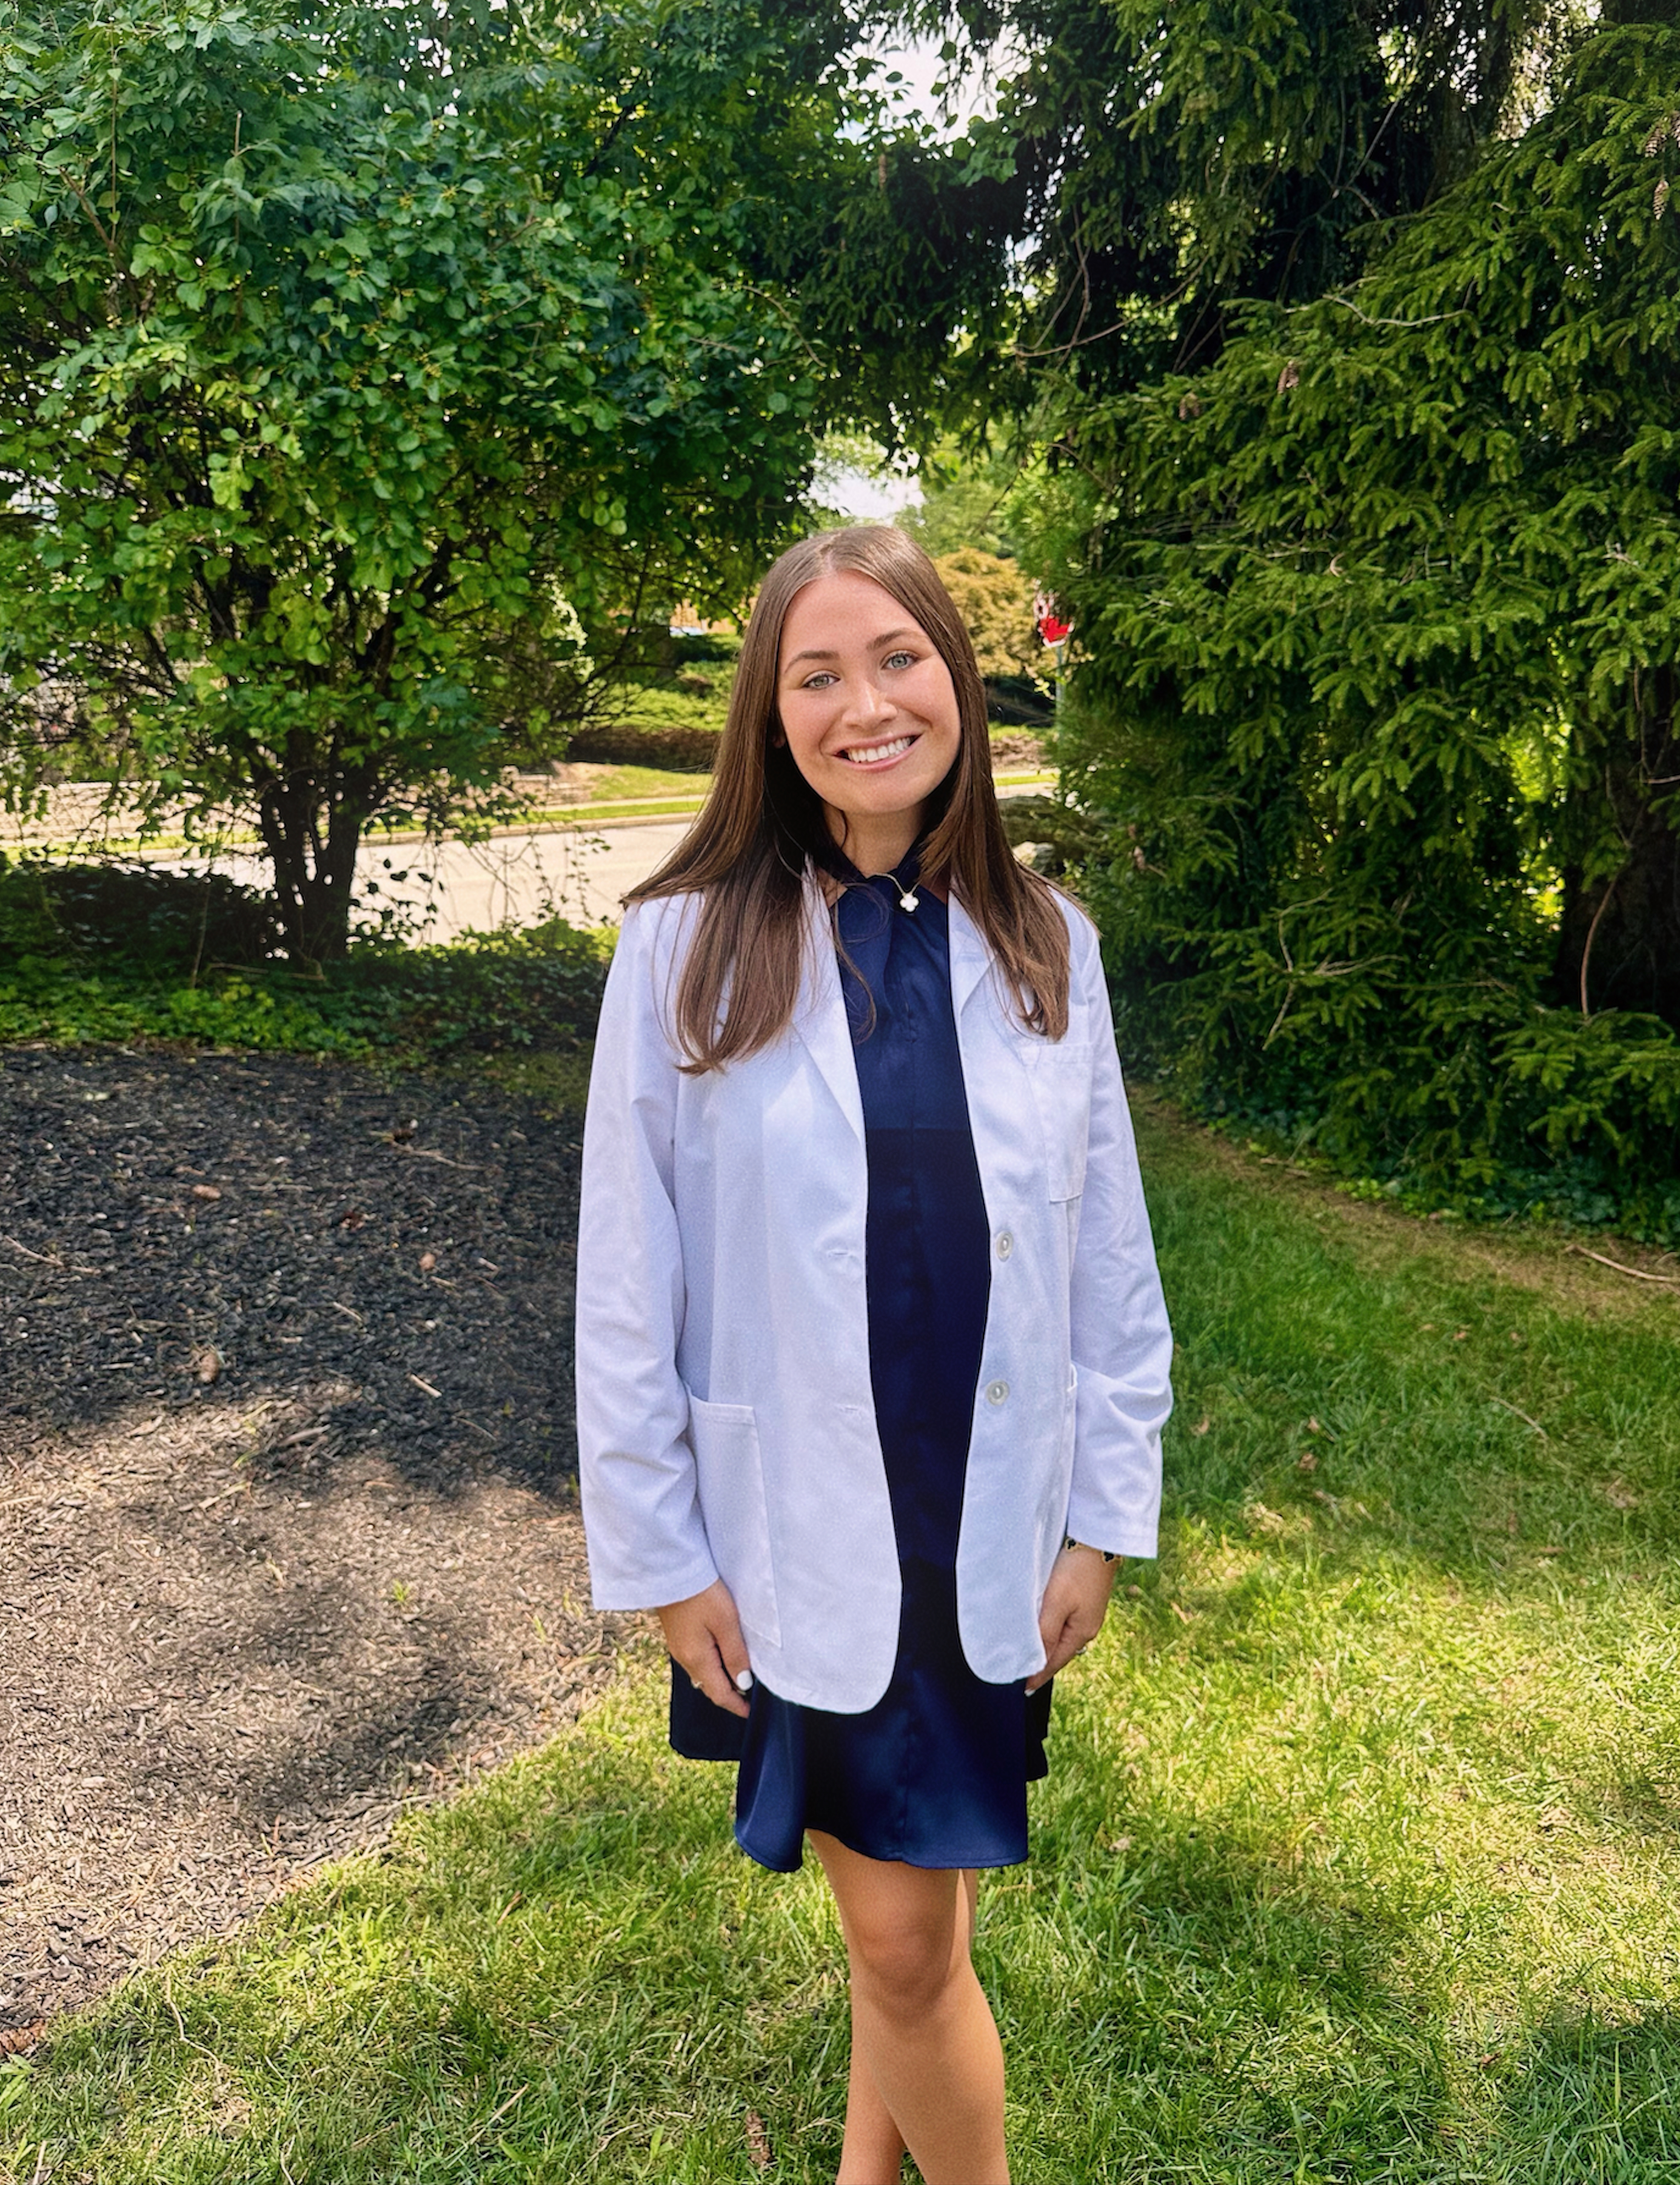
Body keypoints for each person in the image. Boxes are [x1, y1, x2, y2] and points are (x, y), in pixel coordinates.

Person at [575, 524, 1173, 2185]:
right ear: (769, 718)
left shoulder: (1047, 941)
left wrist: (1099, 1519)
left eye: (898, 658)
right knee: (907, 1943)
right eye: (817, 675)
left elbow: (1109, 1264)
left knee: (918, 1922)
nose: (866, 705)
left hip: (987, 1509)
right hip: (799, 1531)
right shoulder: (684, 946)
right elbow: (627, 1283)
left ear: (956, 679)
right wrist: (664, 1558)